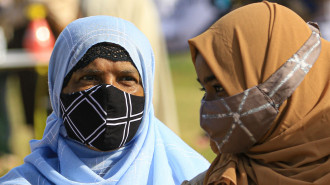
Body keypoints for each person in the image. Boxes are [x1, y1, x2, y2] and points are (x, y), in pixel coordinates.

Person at [0, 16, 210, 184]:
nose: (109, 92)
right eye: (90, 78)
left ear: (147, 90)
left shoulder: (194, 177)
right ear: (58, 89)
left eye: (127, 79)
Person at [183, 1, 330, 185]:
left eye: (220, 89)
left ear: (284, 80)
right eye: (205, 90)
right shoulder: (221, 177)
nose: (207, 111)